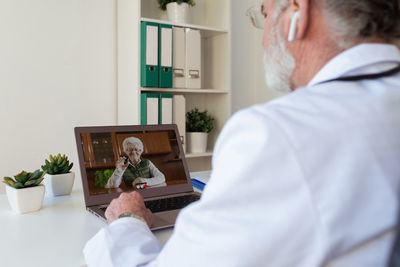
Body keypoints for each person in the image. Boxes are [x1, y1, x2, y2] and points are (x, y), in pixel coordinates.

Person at [84, 0, 400, 266]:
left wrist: (128, 222)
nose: (263, 40)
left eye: (263, 15)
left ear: (297, 11)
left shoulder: (279, 133)